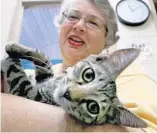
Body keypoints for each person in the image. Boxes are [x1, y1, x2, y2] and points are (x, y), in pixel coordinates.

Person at [1, 0, 157, 132]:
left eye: (93, 22)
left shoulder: (129, 73)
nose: (79, 26)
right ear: (61, 25)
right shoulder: (39, 71)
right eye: (73, 16)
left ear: (107, 40)